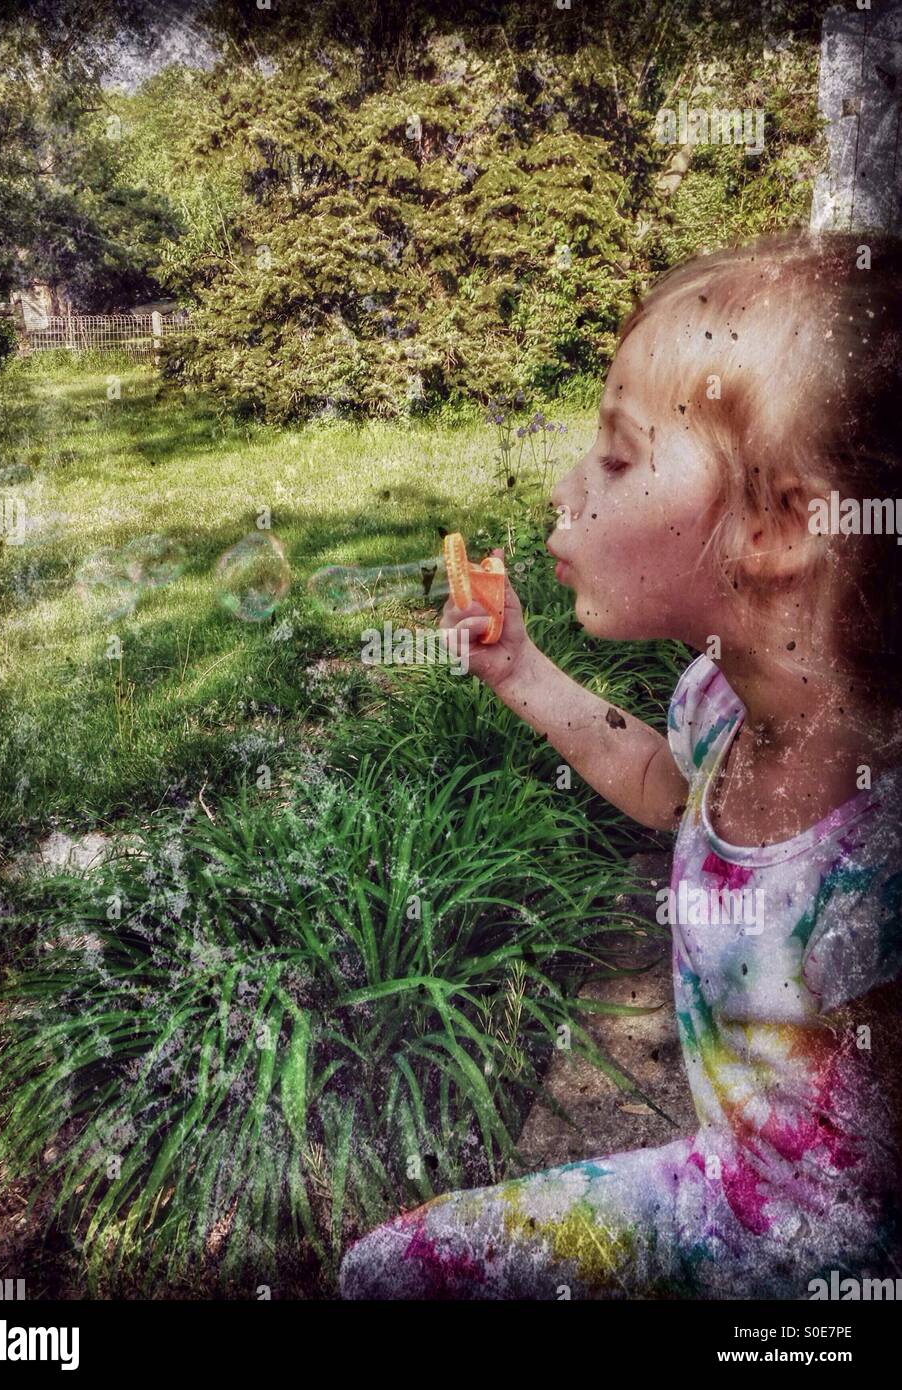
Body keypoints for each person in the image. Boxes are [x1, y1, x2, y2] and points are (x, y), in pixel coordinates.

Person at [339, 231, 902, 1300]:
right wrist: (517, 670)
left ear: (774, 525)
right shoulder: (717, 700)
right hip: (718, 1192)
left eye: (612, 456)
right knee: (387, 1273)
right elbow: (659, 784)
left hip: (823, 1282)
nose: (565, 487)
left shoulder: (874, 850)